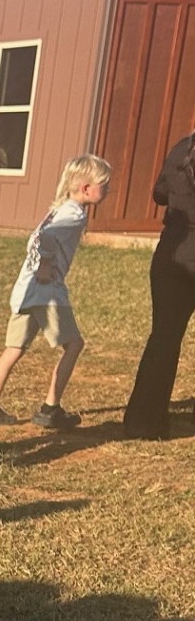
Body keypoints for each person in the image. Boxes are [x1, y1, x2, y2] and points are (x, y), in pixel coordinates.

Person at [0, 154, 112, 430]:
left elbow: (37, 236)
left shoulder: (58, 208)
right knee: (74, 345)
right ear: (86, 188)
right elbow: (46, 237)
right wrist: (46, 264)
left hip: (25, 290)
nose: (107, 190)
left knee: (13, 349)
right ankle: (50, 409)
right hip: (46, 291)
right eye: (104, 185)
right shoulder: (74, 213)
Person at [123, 130, 195, 440]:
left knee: (163, 339)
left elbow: (159, 194)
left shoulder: (182, 148)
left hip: (170, 259)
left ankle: (143, 422)